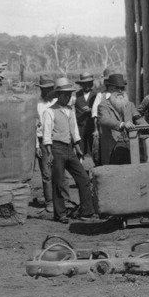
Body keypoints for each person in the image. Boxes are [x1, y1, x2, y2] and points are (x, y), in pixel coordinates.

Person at [40, 78, 95, 223]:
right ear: (58, 95)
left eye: (69, 94)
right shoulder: (49, 112)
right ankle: (60, 214)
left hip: (70, 149)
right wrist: (49, 152)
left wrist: (78, 148)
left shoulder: (70, 110)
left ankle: (87, 211)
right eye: (65, 94)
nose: (68, 97)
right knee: (58, 182)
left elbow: (74, 131)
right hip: (56, 149)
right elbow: (46, 135)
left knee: (83, 178)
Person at [96, 73, 144, 165]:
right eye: (117, 88)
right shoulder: (103, 105)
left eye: (122, 88)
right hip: (112, 146)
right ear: (110, 89)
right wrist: (122, 124)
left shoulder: (130, 104)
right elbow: (104, 120)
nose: (121, 91)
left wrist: (148, 129)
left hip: (130, 144)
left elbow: (139, 119)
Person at [34, 75, 57, 210]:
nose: (48, 91)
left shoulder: (57, 102)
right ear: (41, 90)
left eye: (50, 89)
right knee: (47, 173)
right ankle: (49, 201)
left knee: (60, 171)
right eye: (45, 89)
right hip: (42, 141)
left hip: (56, 139)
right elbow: (35, 127)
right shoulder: (37, 105)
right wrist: (37, 145)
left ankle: (62, 200)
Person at [73, 73, 98, 160]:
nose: (87, 85)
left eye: (89, 83)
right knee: (80, 151)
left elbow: (101, 110)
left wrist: (91, 110)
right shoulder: (76, 95)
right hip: (80, 128)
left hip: (92, 127)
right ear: (81, 84)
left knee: (95, 150)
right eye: (84, 83)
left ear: (91, 83)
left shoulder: (96, 95)